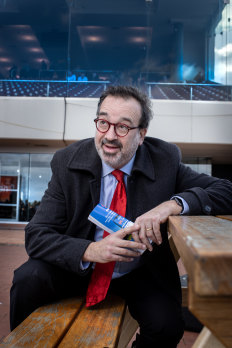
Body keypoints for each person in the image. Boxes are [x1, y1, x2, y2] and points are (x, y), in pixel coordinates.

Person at [10, 86, 232, 347]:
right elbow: (37, 235)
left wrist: (172, 205)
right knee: (27, 279)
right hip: (77, 268)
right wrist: (91, 250)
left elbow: (226, 190)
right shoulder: (66, 162)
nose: (110, 136)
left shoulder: (165, 160)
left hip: (138, 270)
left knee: (167, 326)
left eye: (123, 127)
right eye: (103, 123)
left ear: (142, 135)